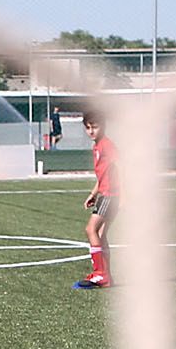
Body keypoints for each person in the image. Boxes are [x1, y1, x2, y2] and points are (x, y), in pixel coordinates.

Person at [73, 108, 113, 290]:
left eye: (95, 127)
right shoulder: (97, 146)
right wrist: (93, 194)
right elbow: (103, 175)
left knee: (91, 229)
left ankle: (100, 274)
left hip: (111, 194)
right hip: (105, 193)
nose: (91, 131)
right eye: (88, 127)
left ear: (103, 126)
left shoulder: (107, 146)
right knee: (101, 235)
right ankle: (106, 276)